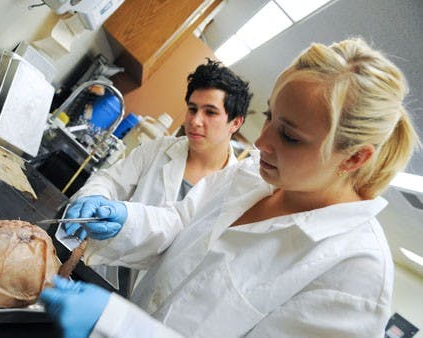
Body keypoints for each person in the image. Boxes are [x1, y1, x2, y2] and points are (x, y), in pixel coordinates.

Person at [40, 38, 420, 338]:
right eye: (270, 116)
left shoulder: (354, 276)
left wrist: (116, 325)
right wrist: (124, 221)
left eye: (288, 135)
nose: (261, 142)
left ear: (353, 158)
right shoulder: (254, 175)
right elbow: (180, 222)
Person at [65, 59, 252, 293]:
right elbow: (110, 181)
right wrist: (92, 198)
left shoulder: (235, 190)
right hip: (109, 271)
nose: (195, 121)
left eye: (210, 112)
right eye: (192, 109)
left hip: (159, 298)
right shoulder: (159, 149)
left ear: (235, 122)